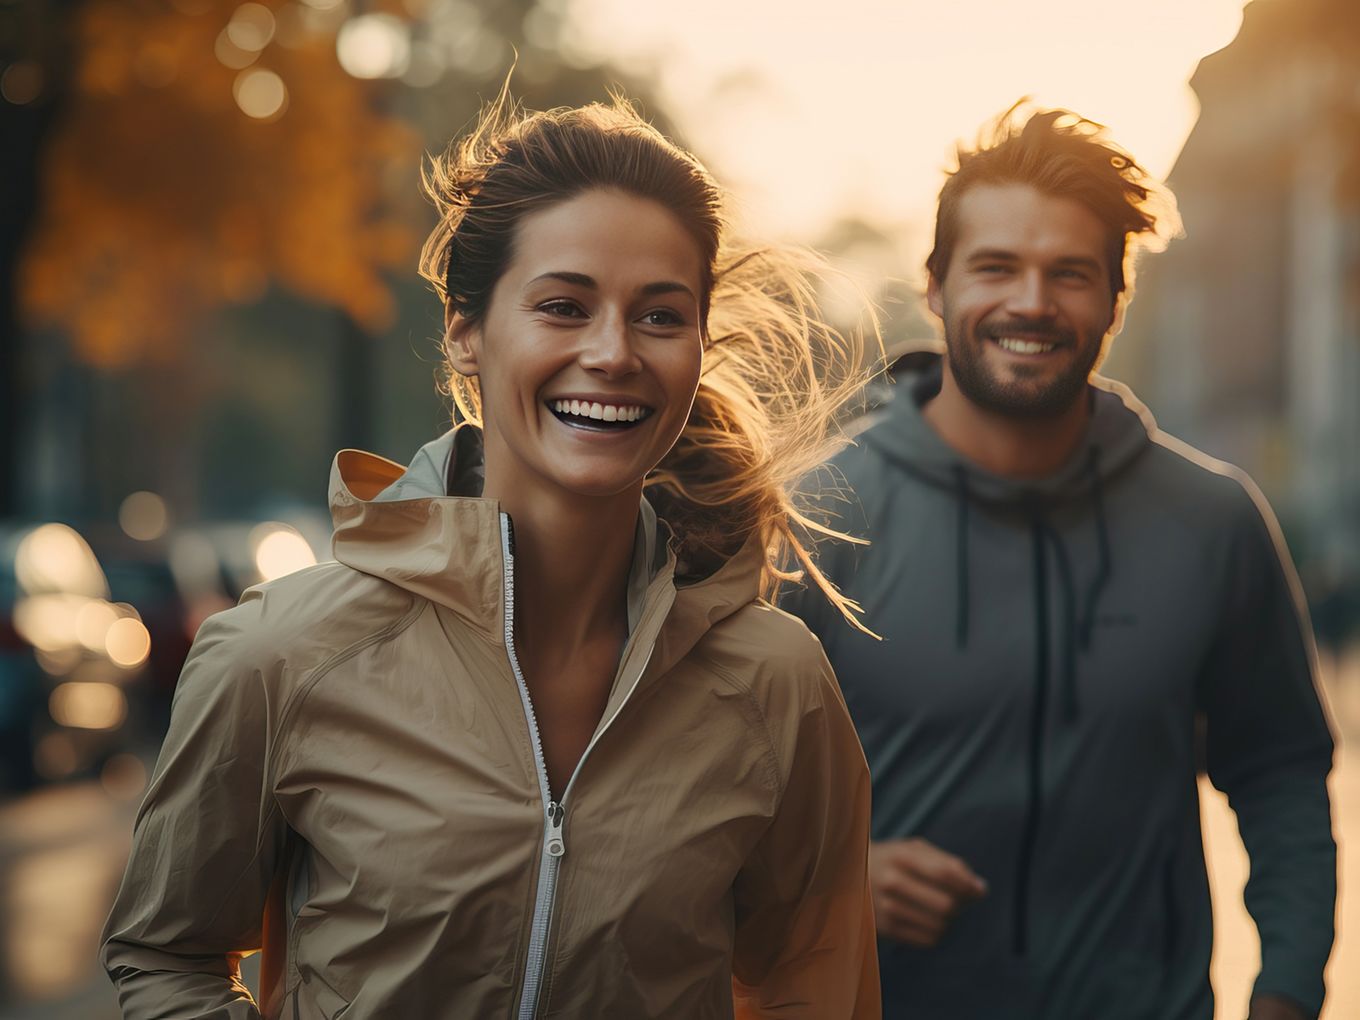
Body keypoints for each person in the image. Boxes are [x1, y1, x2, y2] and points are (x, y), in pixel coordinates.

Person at [102, 93, 881, 1019]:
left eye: (660, 317)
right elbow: (166, 956)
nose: (612, 352)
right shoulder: (279, 654)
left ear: (699, 344)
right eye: (562, 305)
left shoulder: (778, 685)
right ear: (466, 333)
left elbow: (814, 986)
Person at [786, 106, 1336, 1020]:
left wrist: (1285, 993)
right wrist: (829, 886)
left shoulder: (1214, 520)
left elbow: (1281, 771)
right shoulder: (815, 519)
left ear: (1117, 299)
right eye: (996, 267)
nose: (1031, 303)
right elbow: (714, 794)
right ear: (935, 284)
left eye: (1070, 274)